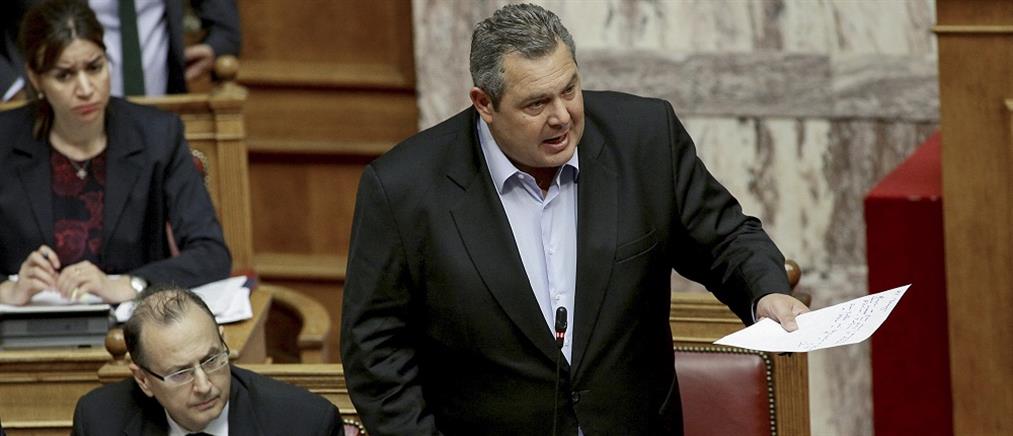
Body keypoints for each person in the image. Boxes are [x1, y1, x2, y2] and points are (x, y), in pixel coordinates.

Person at [340, 3, 810, 435]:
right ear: (484, 104)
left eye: (569, 89)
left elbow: (725, 237)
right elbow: (375, 350)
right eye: (536, 103)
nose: (562, 116)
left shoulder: (644, 139)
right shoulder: (404, 189)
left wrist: (764, 292)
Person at [0, 0, 230, 306]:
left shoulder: (157, 136)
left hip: (130, 326)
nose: (85, 89)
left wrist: (131, 284)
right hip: (27, 326)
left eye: (95, 67)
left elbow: (211, 254)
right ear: (35, 77)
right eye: (64, 75)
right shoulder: (4, 140)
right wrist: (6, 289)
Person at [72, 285, 345, 435]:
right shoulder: (99, 421)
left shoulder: (305, 424)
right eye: (180, 373)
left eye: (212, 359)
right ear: (143, 379)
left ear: (222, 340)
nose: (204, 386)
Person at [0, 0, 241, 100]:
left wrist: (215, 48)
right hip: (51, 118)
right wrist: (12, 90)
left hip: (162, 111)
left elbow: (226, 28)